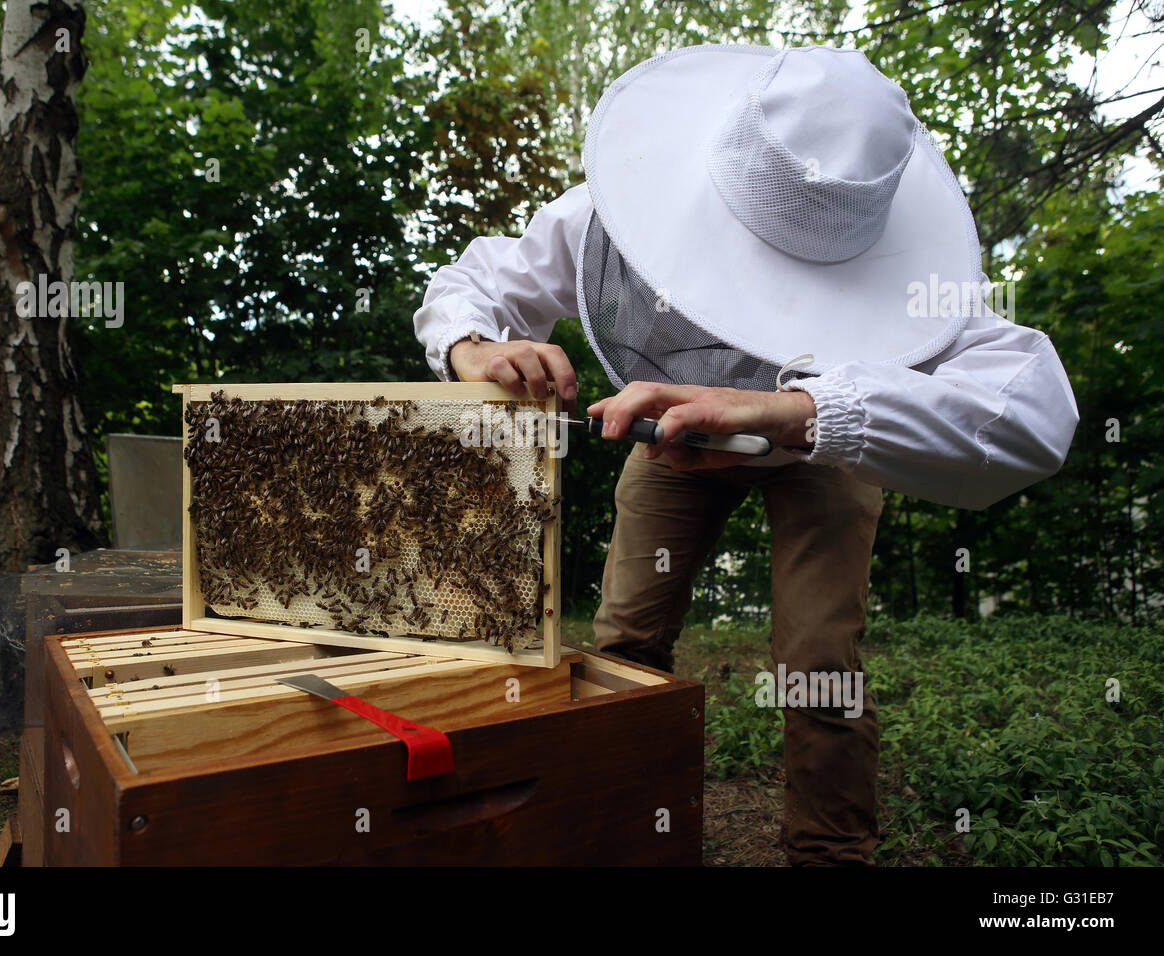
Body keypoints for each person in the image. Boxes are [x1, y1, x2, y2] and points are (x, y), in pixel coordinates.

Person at [412, 44, 1079, 866]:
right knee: (623, 646)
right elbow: (473, 284)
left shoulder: (920, 282)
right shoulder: (607, 211)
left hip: (825, 449)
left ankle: (830, 855)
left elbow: (1033, 411)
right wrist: (472, 345)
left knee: (818, 664)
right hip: (668, 445)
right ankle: (619, 832)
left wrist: (801, 411)